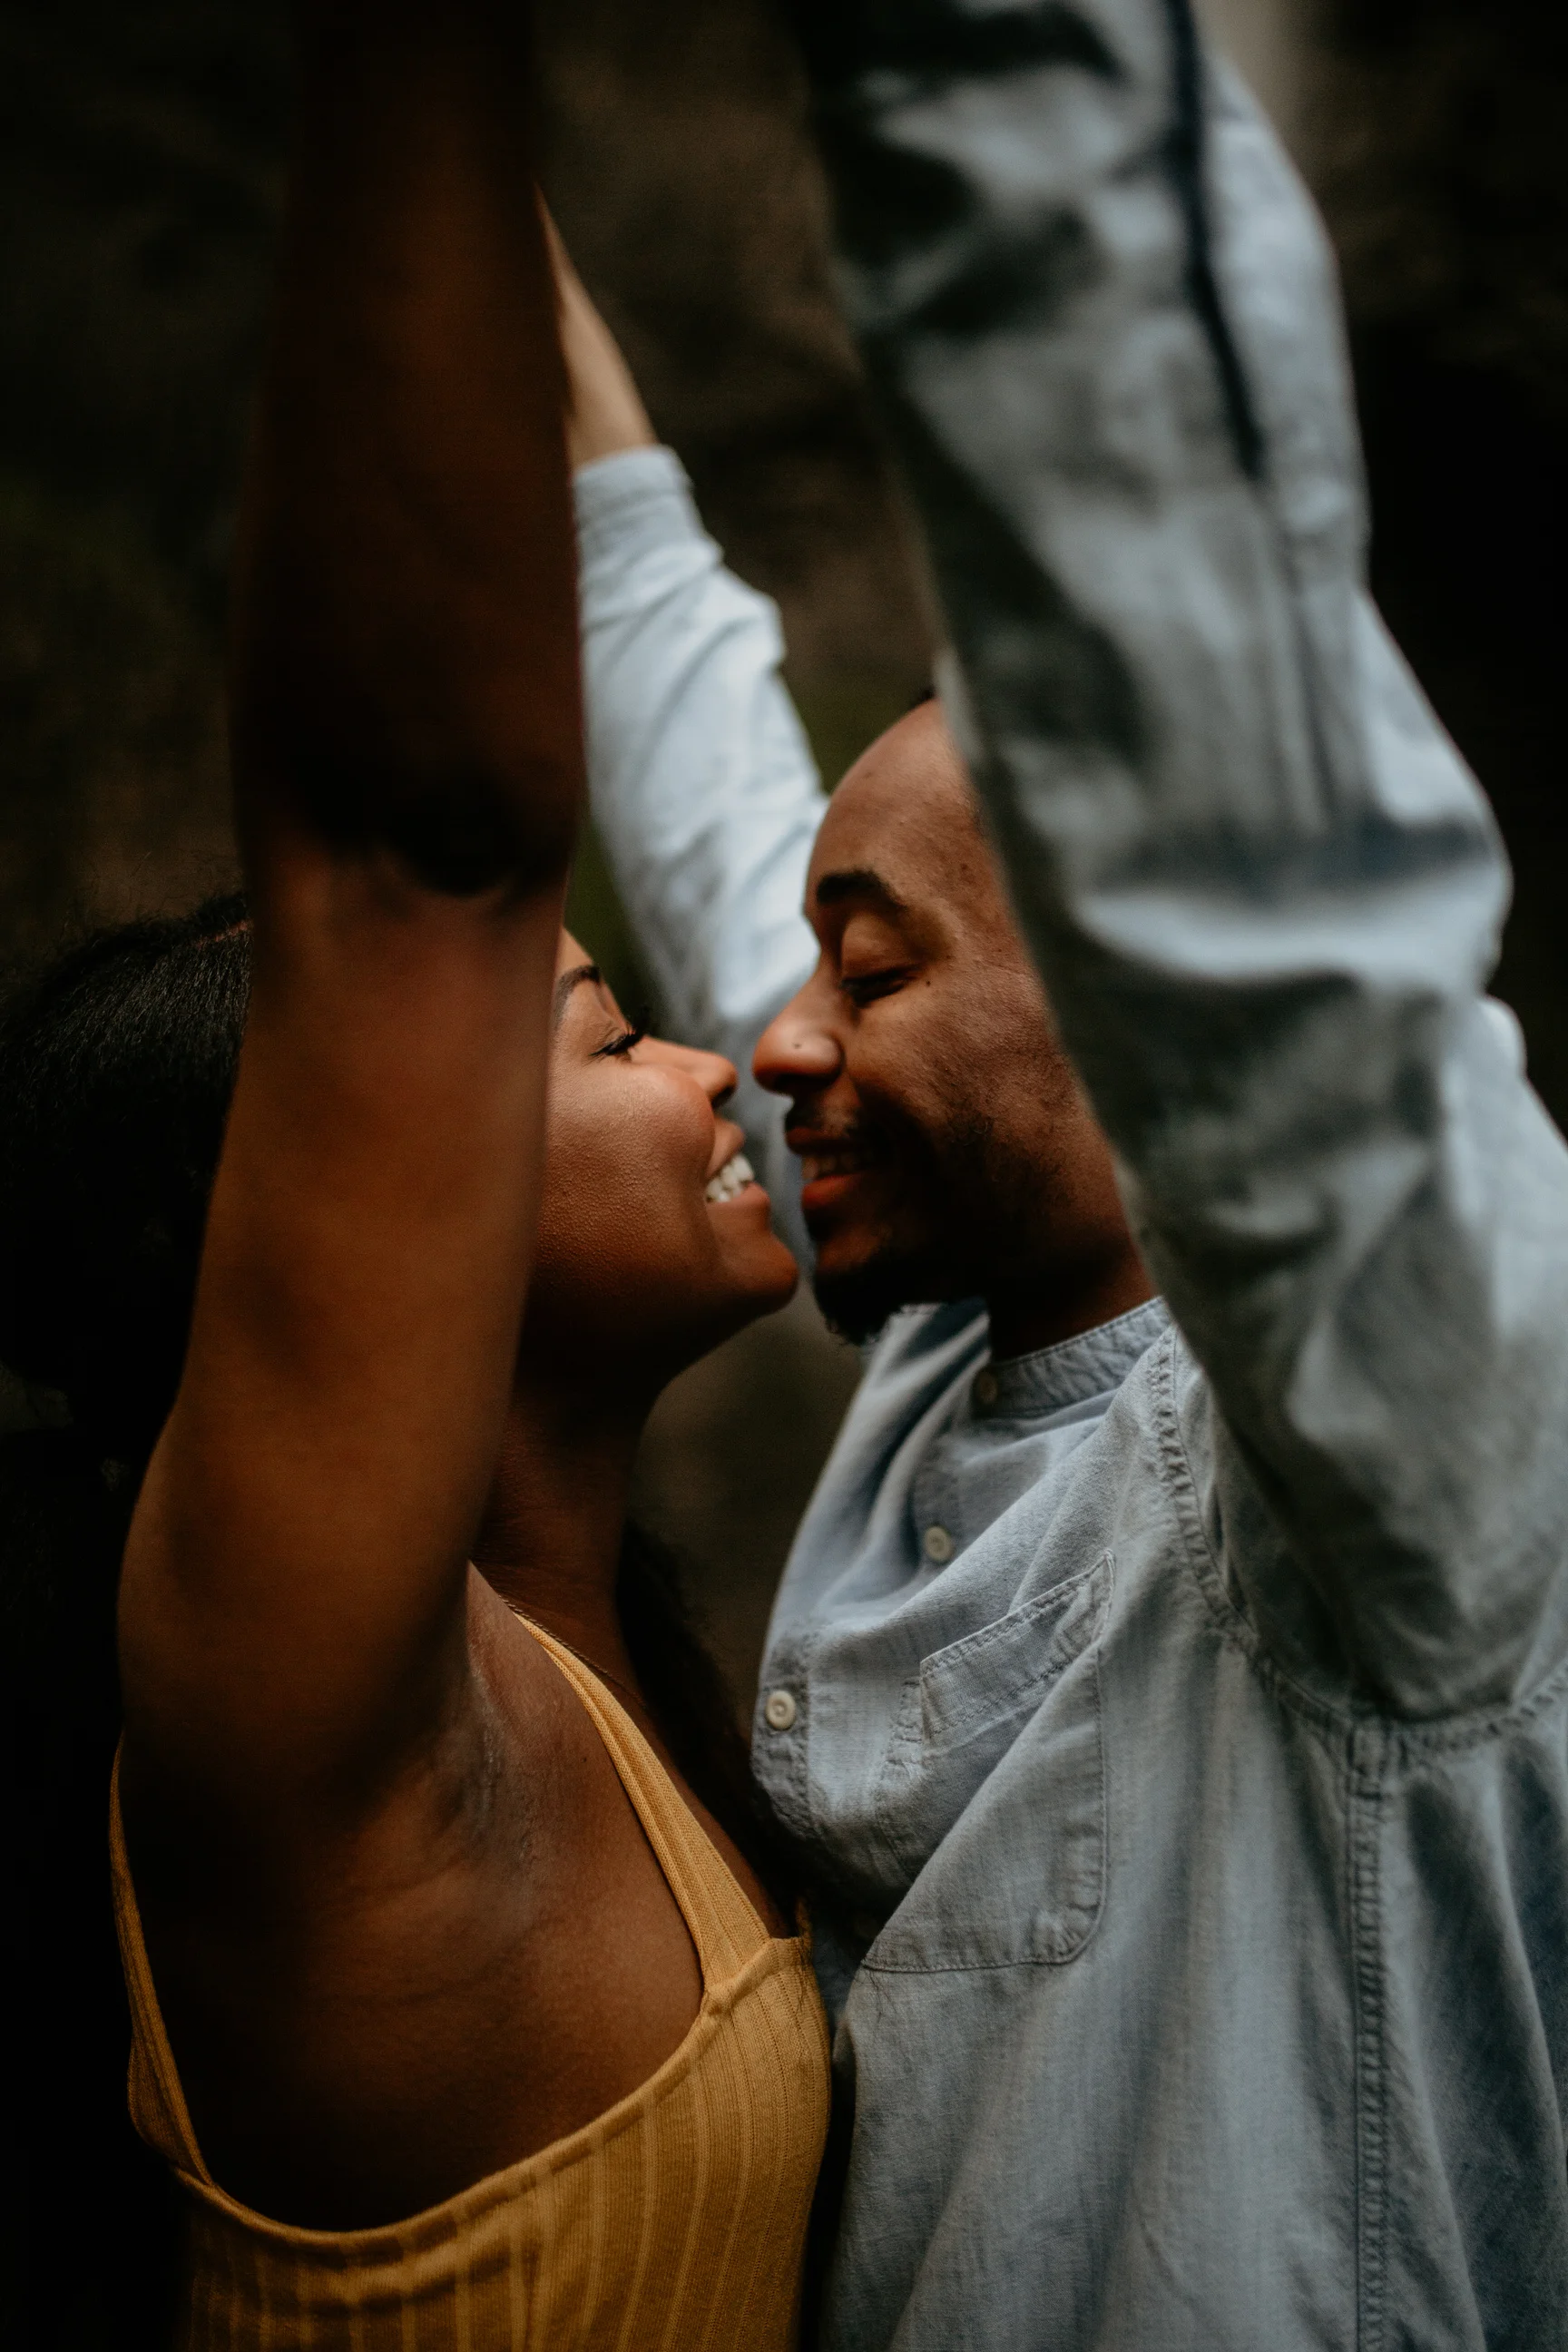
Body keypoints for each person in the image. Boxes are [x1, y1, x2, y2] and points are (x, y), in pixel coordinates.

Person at [563, 5, 1568, 2347]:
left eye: (869, 962)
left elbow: (1201, 735)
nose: (775, 1039)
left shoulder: (1381, 1462)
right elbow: (671, 684)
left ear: (1141, 1003)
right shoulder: (963, 1318)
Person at [4, 3, 830, 2344]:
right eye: (612, 1034)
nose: (733, 1069)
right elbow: (411, 853)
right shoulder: (319, 1738)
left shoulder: (614, 1678)